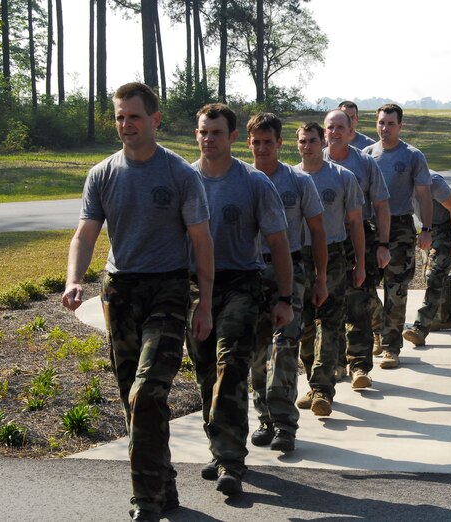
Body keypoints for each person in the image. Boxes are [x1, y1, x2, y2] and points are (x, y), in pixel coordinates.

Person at [61, 82, 214, 522]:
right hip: (120, 292)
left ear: (155, 120)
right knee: (133, 395)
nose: (125, 125)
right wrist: (75, 280)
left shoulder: (180, 174)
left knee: (147, 391)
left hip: (167, 289)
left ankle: (144, 500)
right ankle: (162, 482)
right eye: (119, 117)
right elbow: (85, 234)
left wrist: (203, 304)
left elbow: (202, 243)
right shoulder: (103, 174)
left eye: (134, 116)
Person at [186, 103, 292, 496]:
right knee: (206, 374)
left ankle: (232, 461)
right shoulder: (185, 179)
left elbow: (279, 243)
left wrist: (284, 297)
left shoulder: (253, 183)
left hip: (241, 284)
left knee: (231, 366)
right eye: (202, 132)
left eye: (216, 132)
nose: (208, 139)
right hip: (196, 288)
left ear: (233, 137)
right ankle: (219, 450)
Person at [247, 113, 329, 442]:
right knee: (255, 348)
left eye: (269, 141)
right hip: (250, 271)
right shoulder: (242, 179)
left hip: (289, 271)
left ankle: (284, 423)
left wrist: (321, 278)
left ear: (280, 143)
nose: (263, 148)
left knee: (285, 344)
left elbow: (318, 231)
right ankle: (264, 418)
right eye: (257, 142)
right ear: (249, 142)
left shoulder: (298, 182)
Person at [296, 122, 365, 415]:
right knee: (305, 325)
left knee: (330, 321)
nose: (308, 146)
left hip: (335, 254)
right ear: (296, 144)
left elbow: (356, 224)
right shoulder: (291, 177)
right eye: (303, 141)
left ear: (322, 141)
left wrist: (361, 263)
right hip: (300, 256)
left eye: (313, 140)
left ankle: (323, 388)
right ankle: (314, 383)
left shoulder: (342, 177)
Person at [322, 109, 390, 389]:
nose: (335, 132)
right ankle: (336, 362)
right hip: (324, 242)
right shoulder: (314, 160)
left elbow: (382, 206)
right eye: (330, 128)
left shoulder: (365, 164)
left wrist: (383, 245)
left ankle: (360, 366)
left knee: (358, 302)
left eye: (340, 127)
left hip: (358, 236)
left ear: (351, 132)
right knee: (328, 305)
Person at [364, 103, 433, 369]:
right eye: (381, 123)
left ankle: (391, 346)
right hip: (370, 228)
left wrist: (426, 228)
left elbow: (424, 194)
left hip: (400, 226)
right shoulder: (367, 154)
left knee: (396, 289)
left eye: (390, 124)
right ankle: (380, 330)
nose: (385, 128)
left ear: (400, 126)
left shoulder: (413, 156)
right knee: (362, 288)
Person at [402, 171, 451, 346]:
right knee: (430, 277)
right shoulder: (402, 181)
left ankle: (420, 328)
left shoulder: (434, 182)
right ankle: (442, 317)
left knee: (434, 276)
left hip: (445, 229)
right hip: (427, 230)